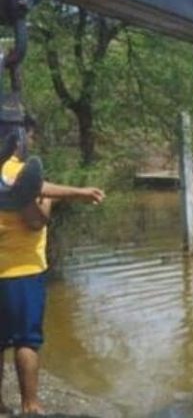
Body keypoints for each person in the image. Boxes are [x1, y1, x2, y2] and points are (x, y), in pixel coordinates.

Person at [0, 121, 104, 416]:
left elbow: (35, 186)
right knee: (26, 341)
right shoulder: (16, 172)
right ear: (17, 137)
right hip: (20, 270)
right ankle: (31, 405)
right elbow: (34, 220)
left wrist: (73, 192)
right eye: (29, 136)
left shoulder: (8, 173)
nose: (30, 142)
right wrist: (52, 201)